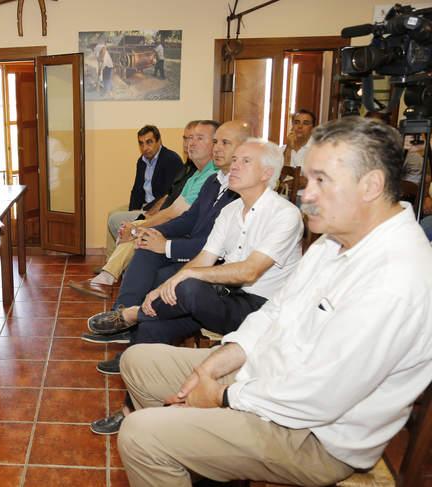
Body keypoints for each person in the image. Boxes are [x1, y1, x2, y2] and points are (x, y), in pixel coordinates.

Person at [117, 117, 432, 487]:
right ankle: (194, 455)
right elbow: (276, 311)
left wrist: (221, 394)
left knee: (140, 434)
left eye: (320, 181)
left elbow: (319, 396)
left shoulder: (398, 277)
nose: (306, 194)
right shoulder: (334, 242)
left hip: (311, 433)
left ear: (371, 185)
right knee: (138, 360)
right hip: (267, 375)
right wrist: (221, 359)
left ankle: (176, 440)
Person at [88, 138, 302, 435]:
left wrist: (184, 280)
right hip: (219, 300)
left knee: (188, 288)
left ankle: (134, 313)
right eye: (235, 159)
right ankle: (130, 410)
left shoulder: (285, 214)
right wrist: (167, 285)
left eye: (245, 161)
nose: (234, 166)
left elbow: (250, 270)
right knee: (155, 324)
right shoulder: (230, 211)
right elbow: (205, 257)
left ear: (267, 173)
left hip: (258, 310)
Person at [70, 120, 234, 299]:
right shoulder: (198, 174)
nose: (189, 144)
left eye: (199, 138)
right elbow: (165, 203)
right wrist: (138, 224)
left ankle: (107, 278)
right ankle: (111, 273)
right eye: (187, 138)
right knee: (128, 224)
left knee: (138, 233)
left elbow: (175, 212)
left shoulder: (209, 175)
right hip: (168, 219)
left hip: (187, 237)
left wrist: (141, 225)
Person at [103, 125, 184, 257]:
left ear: (159, 141)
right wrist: (132, 211)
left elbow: (168, 195)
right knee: (112, 214)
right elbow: (137, 190)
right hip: (144, 204)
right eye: (141, 143)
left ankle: (123, 259)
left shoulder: (171, 160)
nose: (145, 147)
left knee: (115, 219)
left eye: (149, 142)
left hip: (156, 209)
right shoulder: (142, 161)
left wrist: (142, 214)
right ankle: (110, 259)